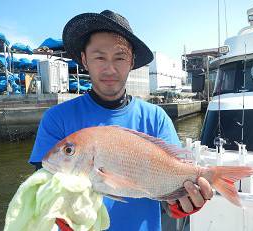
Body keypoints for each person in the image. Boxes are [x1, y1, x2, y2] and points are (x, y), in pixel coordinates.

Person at [29, 10, 213, 231]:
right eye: (99, 57)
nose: (110, 68)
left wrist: (182, 204)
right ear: (85, 60)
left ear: (132, 61)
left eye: (120, 57)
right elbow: (43, 188)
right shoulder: (56, 119)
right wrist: (57, 212)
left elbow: (168, 201)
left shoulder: (156, 118)